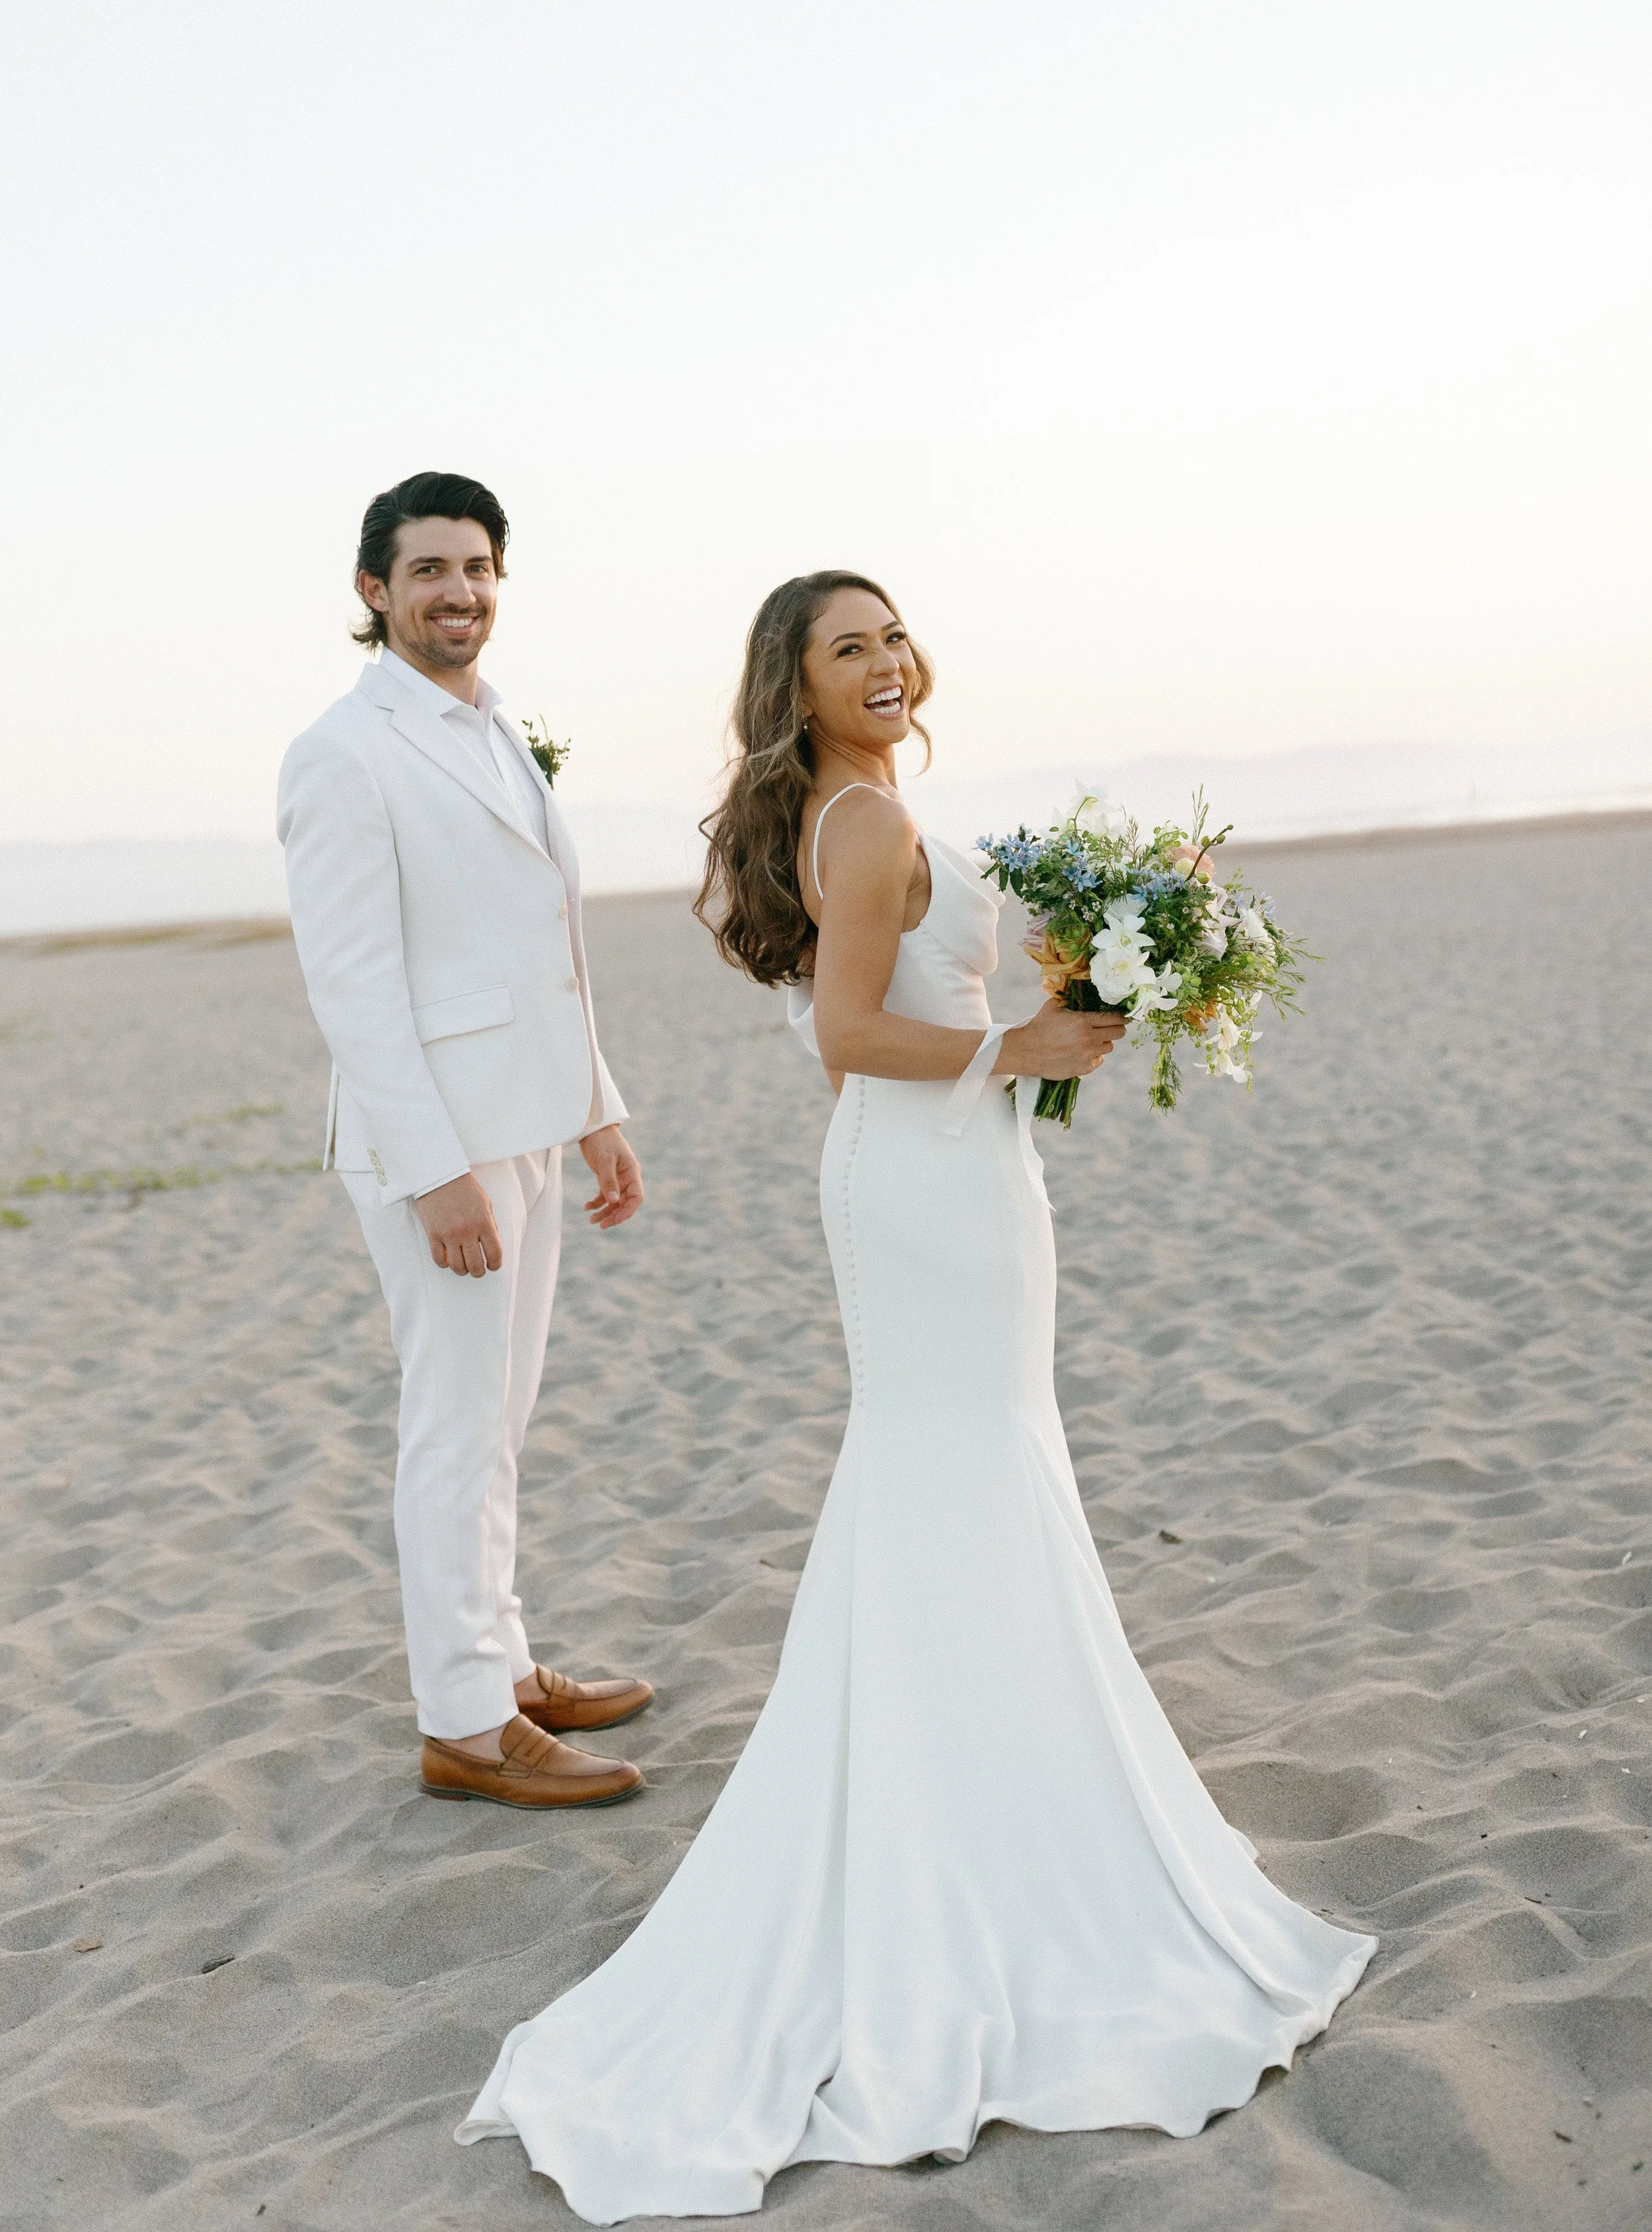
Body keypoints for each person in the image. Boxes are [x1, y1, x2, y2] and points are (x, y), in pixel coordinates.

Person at [457, 571, 1374, 2216]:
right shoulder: (866, 828)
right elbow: (845, 1034)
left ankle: (992, 1777)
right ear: (792, 686)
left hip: (956, 1173)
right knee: (959, 1459)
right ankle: (975, 1815)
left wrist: (1078, 996)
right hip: (923, 1172)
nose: (883, 665)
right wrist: (1013, 1047)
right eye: (845, 649)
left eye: (890, 639)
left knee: (978, 1461)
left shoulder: (873, 804)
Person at [277, 470, 652, 1810]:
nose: (458, 591)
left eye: (478, 566)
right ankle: (463, 1722)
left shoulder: (492, 730)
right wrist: (438, 1175)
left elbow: (540, 949)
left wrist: (596, 1112)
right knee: (453, 1425)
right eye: (429, 569)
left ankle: (500, 1664)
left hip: (531, 1121)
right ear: (373, 591)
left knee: (499, 1419)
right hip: (436, 1142)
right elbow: (356, 987)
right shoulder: (343, 751)